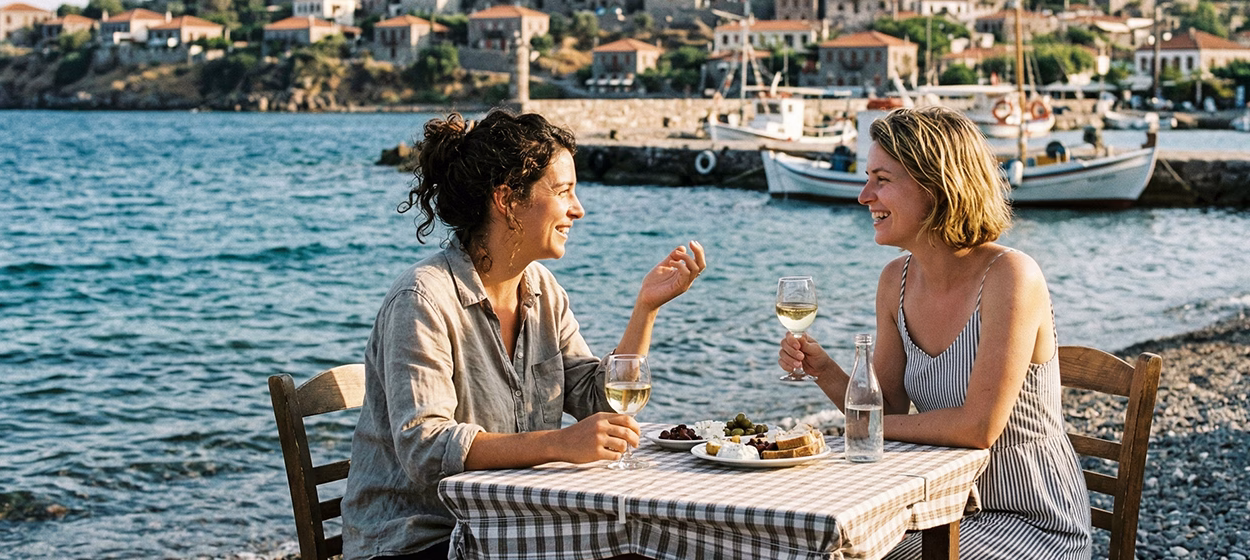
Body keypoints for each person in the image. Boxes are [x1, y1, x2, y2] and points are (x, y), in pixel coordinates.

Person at [343, 109, 706, 560]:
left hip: (509, 526)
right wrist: (560, 443)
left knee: (656, 546)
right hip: (420, 541)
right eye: (563, 191)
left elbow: (597, 401)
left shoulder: (543, 291)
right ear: (508, 200)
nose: (578, 209)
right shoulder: (423, 299)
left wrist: (646, 307)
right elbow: (426, 447)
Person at [780, 106, 1092, 559]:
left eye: (882, 179)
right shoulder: (895, 281)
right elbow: (887, 409)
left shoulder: (1011, 277)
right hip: (940, 510)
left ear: (936, 186)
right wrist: (823, 369)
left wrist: (859, 429)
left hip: (1031, 519)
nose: (864, 196)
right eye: (867, 178)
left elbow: (978, 427)